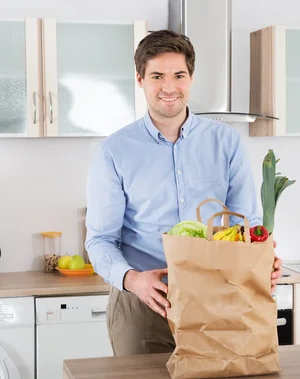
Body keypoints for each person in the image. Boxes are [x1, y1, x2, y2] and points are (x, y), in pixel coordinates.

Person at [85, 30, 283, 357]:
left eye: (178, 75)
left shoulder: (226, 142)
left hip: (220, 298)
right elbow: (100, 239)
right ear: (140, 79)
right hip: (146, 304)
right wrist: (133, 280)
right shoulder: (115, 150)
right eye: (157, 76)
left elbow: (248, 224)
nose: (169, 87)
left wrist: (264, 259)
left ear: (191, 78)